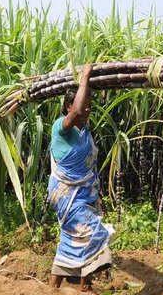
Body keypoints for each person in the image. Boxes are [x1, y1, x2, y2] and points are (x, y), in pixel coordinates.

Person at [47, 64, 114, 292]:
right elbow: (75, 114)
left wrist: (97, 194)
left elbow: (89, 168)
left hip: (84, 194)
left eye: (89, 107)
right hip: (66, 194)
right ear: (68, 106)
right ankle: (85, 286)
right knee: (93, 231)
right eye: (83, 106)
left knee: (70, 238)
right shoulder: (61, 128)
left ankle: (54, 286)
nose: (86, 111)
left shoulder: (84, 133)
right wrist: (85, 76)